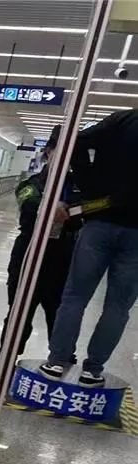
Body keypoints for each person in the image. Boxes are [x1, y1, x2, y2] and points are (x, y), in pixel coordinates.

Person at [41, 109, 138, 386]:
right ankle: (93, 370)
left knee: (75, 297)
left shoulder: (123, 120)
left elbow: (76, 141)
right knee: (118, 307)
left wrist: (90, 186)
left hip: (100, 221)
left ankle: (57, 361)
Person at [1, 125, 78, 355]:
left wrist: (69, 211)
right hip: (28, 253)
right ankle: (8, 357)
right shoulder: (31, 184)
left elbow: (83, 214)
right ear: (48, 152)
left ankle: (60, 360)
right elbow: (29, 207)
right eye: (58, 151)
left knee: (60, 316)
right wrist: (54, 208)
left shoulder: (77, 188)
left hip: (62, 257)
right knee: (19, 313)